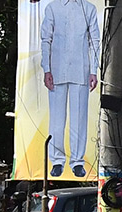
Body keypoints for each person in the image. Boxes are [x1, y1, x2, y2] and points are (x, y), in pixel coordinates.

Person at [40, 0, 100, 178]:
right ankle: (57, 160)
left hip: (81, 70)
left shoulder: (89, 8)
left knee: (79, 120)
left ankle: (77, 162)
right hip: (57, 69)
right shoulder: (52, 7)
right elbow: (46, 40)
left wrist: (93, 71)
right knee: (57, 120)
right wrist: (46, 69)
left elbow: (94, 41)